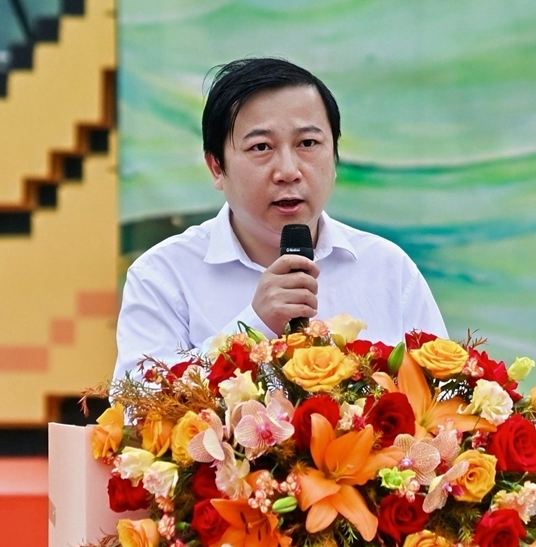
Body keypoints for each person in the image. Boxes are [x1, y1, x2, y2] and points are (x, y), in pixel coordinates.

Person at [113, 57, 447, 380]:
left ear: (334, 156)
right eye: (261, 147)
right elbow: (138, 405)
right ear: (216, 167)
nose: (288, 171)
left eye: (308, 143)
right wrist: (254, 326)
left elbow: (446, 397)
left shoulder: (388, 269)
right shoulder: (163, 275)